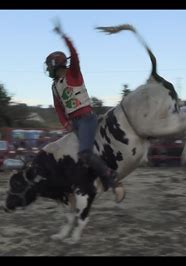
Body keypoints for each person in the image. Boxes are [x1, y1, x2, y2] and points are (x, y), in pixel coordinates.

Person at [45, 21, 124, 203]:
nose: (48, 70)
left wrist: (63, 35)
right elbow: (58, 107)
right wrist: (66, 124)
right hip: (75, 123)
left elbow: (74, 54)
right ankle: (88, 186)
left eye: (49, 66)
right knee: (80, 156)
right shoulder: (55, 86)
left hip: (87, 118)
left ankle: (112, 178)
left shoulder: (74, 73)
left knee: (85, 154)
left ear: (56, 65)